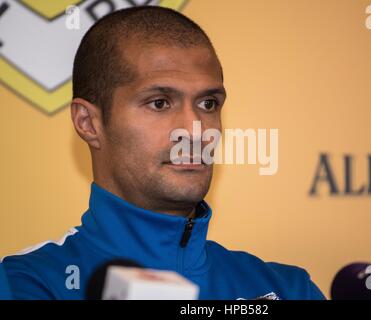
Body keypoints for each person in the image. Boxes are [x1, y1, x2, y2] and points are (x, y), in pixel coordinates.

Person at [1, 6, 324, 300]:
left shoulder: (286, 288)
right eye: (159, 103)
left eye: (208, 103)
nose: (196, 129)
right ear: (89, 123)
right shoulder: (25, 284)